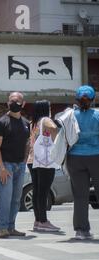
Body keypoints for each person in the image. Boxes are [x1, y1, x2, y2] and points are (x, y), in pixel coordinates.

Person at [0, 92, 30, 239]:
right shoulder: (1, 122)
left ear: (23, 103)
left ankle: (11, 227)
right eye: (11, 101)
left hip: (20, 165)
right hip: (6, 166)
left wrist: (25, 160)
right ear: (8, 103)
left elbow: (27, 143)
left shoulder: (26, 123)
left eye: (17, 101)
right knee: (5, 198)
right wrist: (1, 168)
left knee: (16, 199)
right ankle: (2, 228)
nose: (14, 103)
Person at [66, 85, 99, 240]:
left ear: (77, 100)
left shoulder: (70, 115)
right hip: (96, 156)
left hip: (75, 158)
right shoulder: (98, 115)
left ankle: (81, 230)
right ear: (93, 100)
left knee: (80, 196)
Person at [27, 100, 61, 232]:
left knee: (37, 191)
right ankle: (43, 221)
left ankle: (37, 220)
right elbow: (54, 128)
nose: (50, 109)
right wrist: (55, 140)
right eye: (49, 107)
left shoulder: (33, 123)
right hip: (44, 161)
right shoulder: (45, 120)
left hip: (32, 160)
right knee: (44, 191)